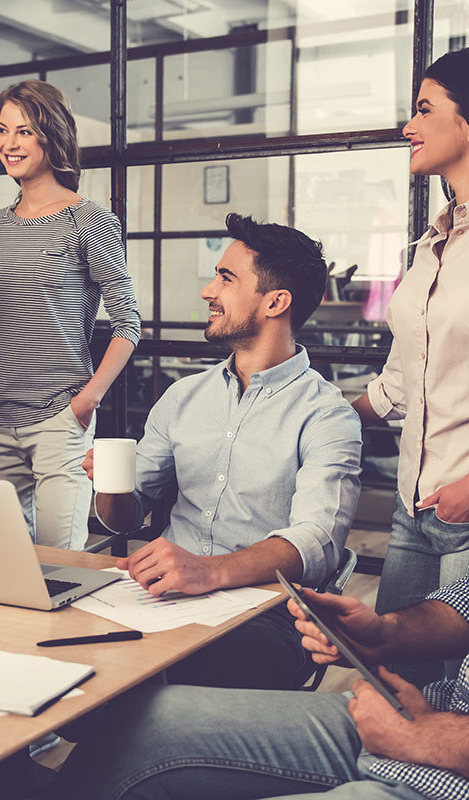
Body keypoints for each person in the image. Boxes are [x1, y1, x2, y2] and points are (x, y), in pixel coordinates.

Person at [86, 212, 363, 690]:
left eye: (226, 278)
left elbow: (317, 542)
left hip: (265, 612)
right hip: (160, 596)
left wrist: (208, 572)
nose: (207, 291)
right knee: (65, 645)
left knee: (179, 676)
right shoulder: (183, 397)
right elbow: (126, 518)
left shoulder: (328, 416)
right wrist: (111, 486)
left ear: (276, 301)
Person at [54, 569, 469, 800]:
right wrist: (386, 633)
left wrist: (434, 739)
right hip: (441, 716)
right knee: (142, 720)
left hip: (448, 764)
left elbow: (314, 537)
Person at [0, 80, 140, 550]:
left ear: (51, 135)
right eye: (2, 130)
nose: (9, 143)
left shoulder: (91, 220)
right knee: (5, 561)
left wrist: (87, 401)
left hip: (59, 419)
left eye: (24, 131)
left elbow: (127, 323)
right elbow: (5, 316)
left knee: (60, 563)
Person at [352, 47, 469, 686]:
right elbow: (399, 385)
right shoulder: (432, 243)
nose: (408, 127)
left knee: (455, 710)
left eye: (425, 109)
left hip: (467, 509)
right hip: (412, 508)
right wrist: (318, 410)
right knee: (391, 684)